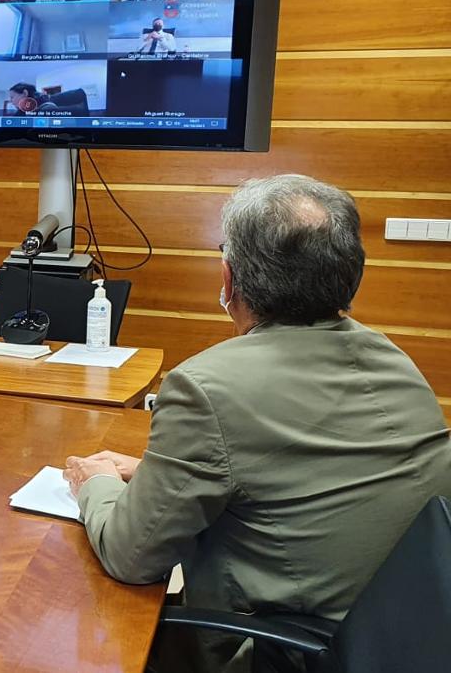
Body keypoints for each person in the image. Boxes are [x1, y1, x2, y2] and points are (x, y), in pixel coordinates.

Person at [62, 175, 451, 673]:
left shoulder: (205, 386)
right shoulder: (392, 357)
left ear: (229, 279)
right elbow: (306, 477)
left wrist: (93, 484)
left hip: (292, 653)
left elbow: (130, 556)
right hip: (407, 638)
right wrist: (154, 474)